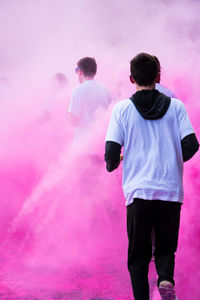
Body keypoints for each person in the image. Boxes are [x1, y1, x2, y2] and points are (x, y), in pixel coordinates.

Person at [104, 53, 199, 300]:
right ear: (158, 76)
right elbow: (191, 145)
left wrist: (120, 160)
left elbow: (111, 156)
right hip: (169, 192)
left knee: (138, 257)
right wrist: (170, 157)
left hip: (138, 194)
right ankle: (165, 278)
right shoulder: (176, 107)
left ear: (131, 78)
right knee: (165, 249)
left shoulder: (121, 110)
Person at [68, 57, 111, 129]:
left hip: (84, 138)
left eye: (76, 70)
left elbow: (73, 121)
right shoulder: (105, 90)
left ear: (80, 72)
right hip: (102, 136)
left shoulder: (78, 90)